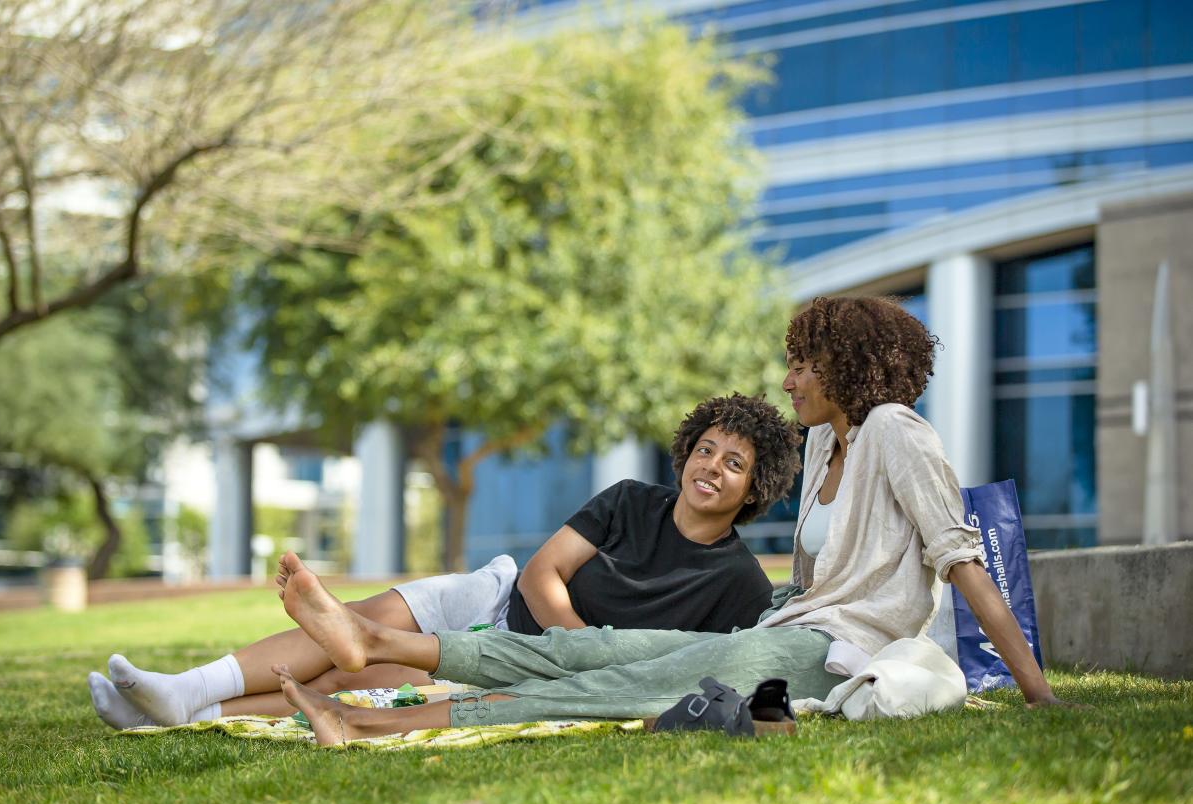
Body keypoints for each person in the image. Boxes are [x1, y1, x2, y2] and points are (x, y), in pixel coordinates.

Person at [267, 296, 1068, 746]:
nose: (788, 380)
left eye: (801, 364)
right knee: (594, 647)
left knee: (612, 682)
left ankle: (366, 726)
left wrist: (1037, 693)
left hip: (839, 650)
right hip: (795, 628)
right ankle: (374, 644)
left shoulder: (895, 429)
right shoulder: (826, 440)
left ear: (842, 367)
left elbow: (959, 559)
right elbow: (819, 580)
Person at [89, 393, 802, 728]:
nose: (712, 466)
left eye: (734, 463)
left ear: (755, 488)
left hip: (513, 661)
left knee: (351, 671)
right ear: (686, 450)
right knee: (357, 618)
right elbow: (541, 573)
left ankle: (179, 710)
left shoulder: (740, 581)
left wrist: (576, 667)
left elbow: (694, 666)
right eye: (706, 449)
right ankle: (184, 686)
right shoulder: (630, 500)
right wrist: (578, 649)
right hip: (497, 604)